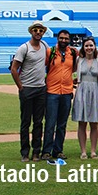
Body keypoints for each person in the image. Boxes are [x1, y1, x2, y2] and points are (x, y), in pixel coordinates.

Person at [10, 21, 48, 162]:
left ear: (43, 32)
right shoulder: (24, 48)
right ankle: (25, 153)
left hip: (40, 89)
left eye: (40, 30)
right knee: (26, 122)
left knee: (38, 122)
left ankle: (36, 152)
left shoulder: (45, 46)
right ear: (31, 31)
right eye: (36, 30)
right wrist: (21, 87)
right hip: (27, 89)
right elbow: (14, 69)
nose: (38, 32)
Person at [42, 30, 76, 161]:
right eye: (61, 38)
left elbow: (75, 67)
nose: (64, 40)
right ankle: (46, 151)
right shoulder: (50, 52)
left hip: (66, 92)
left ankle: (58, 150)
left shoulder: (72, 53)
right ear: (58, 38)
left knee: (62, 124)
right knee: (50, 123)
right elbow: (42, 66)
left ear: (69, 40)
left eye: (66, 38)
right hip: (52, 92)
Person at [72, 36, 98, 160]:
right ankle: (83, 151)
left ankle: (93, 151)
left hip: (95, 90)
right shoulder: (79, 60)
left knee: (94, 123)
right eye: (86, 46)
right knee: (82, 123)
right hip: (82, 90)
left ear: (94, 46)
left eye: (91, 45)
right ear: (83, 47)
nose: (89, 48)